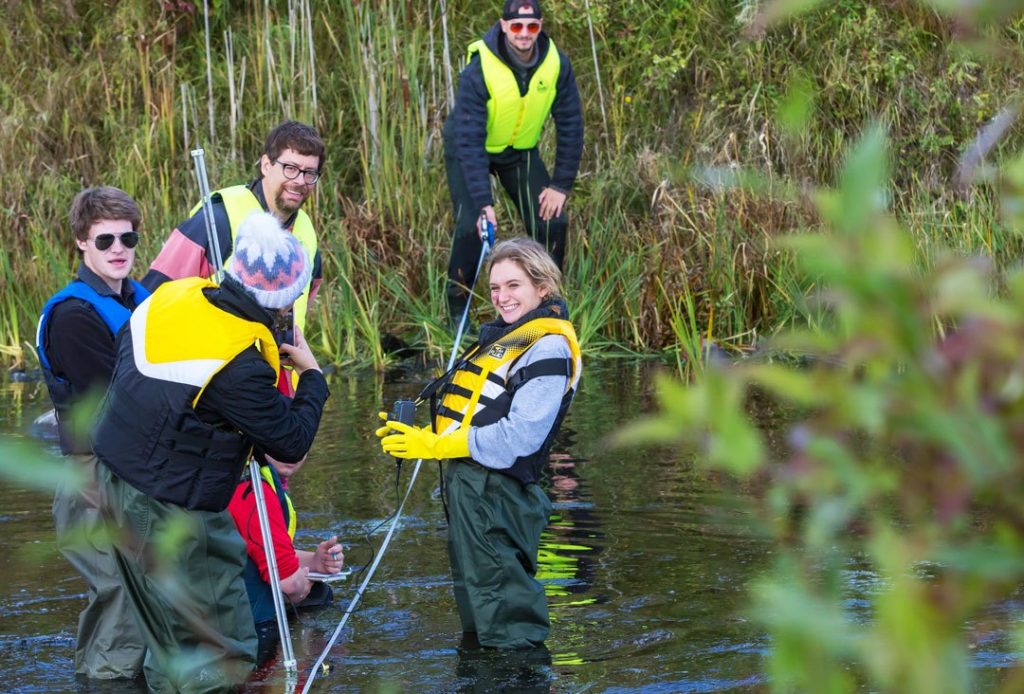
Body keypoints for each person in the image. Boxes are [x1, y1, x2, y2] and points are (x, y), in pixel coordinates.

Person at [93, 212, 330, 692]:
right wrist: (313, 378)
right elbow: (290, 443)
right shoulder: (240, 363)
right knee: (217, 648)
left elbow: (128, 357)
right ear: (282, 302)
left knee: (168, 641)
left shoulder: (171, 296)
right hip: (171, 504)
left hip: (112, 480)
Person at [379, 237, 582, 648]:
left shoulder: (548, 346)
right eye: (494, 288)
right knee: (478, 609)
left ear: (543, 288)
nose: (501, 297)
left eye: (513, 286)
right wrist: (419, 437)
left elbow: (521, 436)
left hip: (498, 494)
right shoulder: (508, 337)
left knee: (507, 622)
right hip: (471, 488)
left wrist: (436, 447)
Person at [35, 186, 149, 680]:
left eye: (128, 238)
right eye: (105, 241)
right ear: (82, 242)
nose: (119, 249)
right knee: (119, 599)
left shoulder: (144, 299)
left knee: (139, 599)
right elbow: (115, 404)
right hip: (93, 477)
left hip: (138, 472)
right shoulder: (72, 316)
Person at [142, 120, 325, 383]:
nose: (299, 181)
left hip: (280, 387)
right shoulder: (218, 218)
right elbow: (155, 297)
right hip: (214, 388)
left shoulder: (307, 232)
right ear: (265, 165)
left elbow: (303, 303)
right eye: (290, 168)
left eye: (310, 173)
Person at [443, 0, 584, 324]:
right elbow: (468, 139)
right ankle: (457, 321)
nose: (524, 33)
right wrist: (483, 203)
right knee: (472, 228)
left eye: (532, 26)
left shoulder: (556, 64)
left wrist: (560, 185)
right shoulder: (479, 69)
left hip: (518, 152)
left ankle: (544, 307)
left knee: (553, 221)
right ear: (505, 26)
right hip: (470, 148)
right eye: (517, 26)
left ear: (540, 26)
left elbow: (571, 124)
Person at [227, 453, 345, 664]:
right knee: (318, 597)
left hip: (222, 610)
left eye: (301, 445)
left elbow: (261, 551)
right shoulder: (252, 488)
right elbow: (290, 585)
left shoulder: (242, 475)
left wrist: (314, 561)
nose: (292, 453)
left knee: (319, 594)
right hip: (245, 630)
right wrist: (300, 585)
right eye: (282, 441)